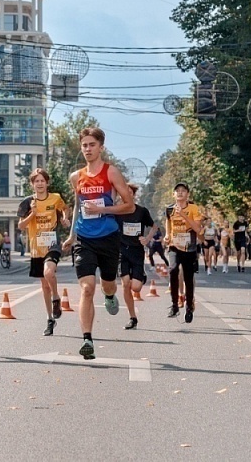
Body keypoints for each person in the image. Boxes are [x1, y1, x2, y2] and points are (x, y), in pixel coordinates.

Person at [62, 127, 135, 360]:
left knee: (108, 285)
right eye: (84, 145)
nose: (88, 149)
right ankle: (87, 339)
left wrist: (102, 209)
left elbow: (129, 205)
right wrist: (72, 234)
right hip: (84, 238)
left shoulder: (111, 172)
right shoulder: (76, 177)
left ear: (101, 147)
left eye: (92, 145)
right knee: (86, 288)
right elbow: (76, 205)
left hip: (109, 237)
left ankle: (111, 296)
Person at [17, 168, 70, 336]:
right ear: (32, 184)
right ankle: (49, 319)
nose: (40, 184)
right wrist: (32, 214)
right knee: (44, 285)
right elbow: (20, 226)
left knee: (49, 272)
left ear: (47, 183)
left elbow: (65, 208)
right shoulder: (27, 202)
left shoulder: (55, 198)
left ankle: (56, 298)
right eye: (36, 181)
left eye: (42, 181)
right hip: (35, 246)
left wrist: (65, 217)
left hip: (52, 242)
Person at [116, 183, 155, 330]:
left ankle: (141, 277)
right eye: (124, 192)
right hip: (122, 251)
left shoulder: (141, 211)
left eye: (130, 192)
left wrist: (147, 239)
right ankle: (132, 317)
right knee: (125, 284)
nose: (127, 194)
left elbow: (154, 226)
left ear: (133, 195)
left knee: (136, 288)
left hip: (137, 251)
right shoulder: (117, 211)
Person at [165, 182, 204, 323]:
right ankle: (175, 304)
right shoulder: (169, 209)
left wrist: (183, 215)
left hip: (189, 247)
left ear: (187, 194)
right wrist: (167, 235)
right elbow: (168, 223)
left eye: (183, 191)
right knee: (173, 269)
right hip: (174, 246)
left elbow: (198, 229)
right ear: (173, 194)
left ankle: (189, 307)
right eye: (177, 191)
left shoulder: (194, 208)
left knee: (188, 278)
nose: (180, 193)